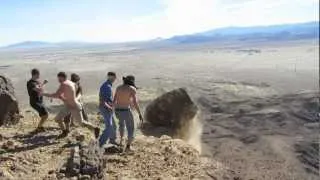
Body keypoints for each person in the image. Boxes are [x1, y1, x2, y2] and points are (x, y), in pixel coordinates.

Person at [42, 72, 99, 138]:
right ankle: (65, 132)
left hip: (74, 106)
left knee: (81, 122)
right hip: (68, 106)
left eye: (59, 78)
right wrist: (60, 97)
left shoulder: (66, 84)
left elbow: (57, 94)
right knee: (58, 119)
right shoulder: (69, 83)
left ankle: (95, 128)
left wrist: (43, 94)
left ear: (63, 77)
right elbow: (61, 94)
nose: (58, 80)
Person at [113, 75, 143, 151]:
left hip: (117, 110)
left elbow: (114, 100)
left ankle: (121, 141)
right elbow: (135, 103)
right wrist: (139, 113)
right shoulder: (132, 89)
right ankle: (128, 147)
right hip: (126, 110)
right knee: (130, 128)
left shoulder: (118, 87)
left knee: (121, 125)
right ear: (132, 81)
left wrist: (111, 109)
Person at [98, 72, 118, 147]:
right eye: (113, 77)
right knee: (109, 126)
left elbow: (108, 99)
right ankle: (100, 143)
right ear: (110, 77)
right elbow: (102, 100)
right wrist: (109, 107)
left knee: (114, 126)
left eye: (114, 78)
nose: (114, 79)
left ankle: (112, 140)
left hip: (108, 108)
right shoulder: (106, 86)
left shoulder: (108, 85)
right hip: (106, 108)